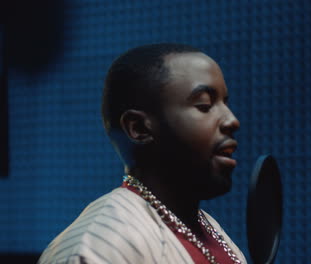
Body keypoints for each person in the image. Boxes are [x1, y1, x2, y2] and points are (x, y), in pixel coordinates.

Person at [38, 43, 246, 264]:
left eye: (225, 103)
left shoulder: (211, 231)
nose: (232, 120)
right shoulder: (99, 246)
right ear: (138, 128)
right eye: (204, 105)